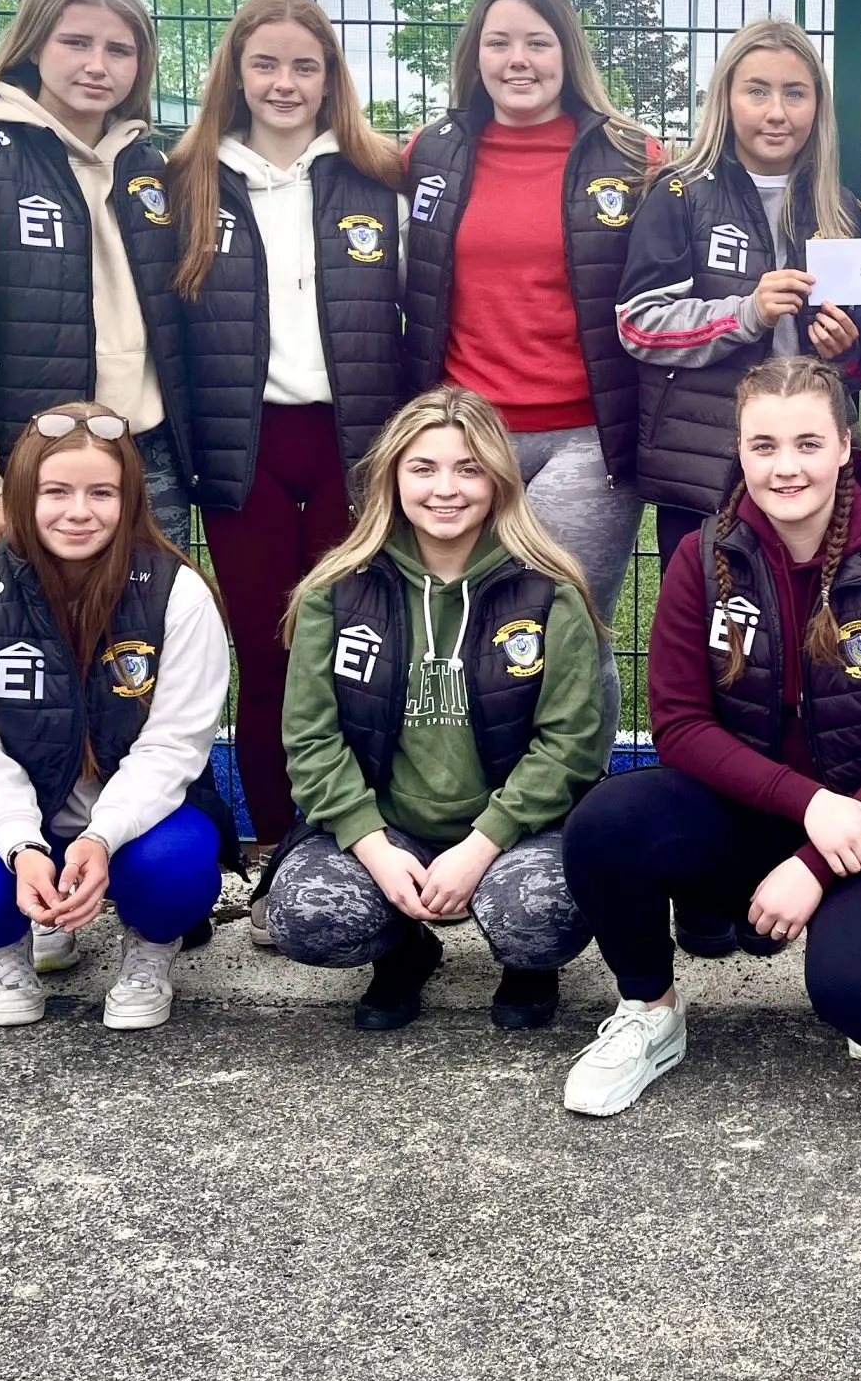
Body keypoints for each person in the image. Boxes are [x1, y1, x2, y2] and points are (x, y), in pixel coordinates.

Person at [561, 357, 861, 1116]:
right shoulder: (700, 557)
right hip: (755, 815)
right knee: (606, 822)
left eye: (807, 444)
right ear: (740, 451)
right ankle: (649, 1013)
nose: (785, 467)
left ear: (847, 448)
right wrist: (807, 806)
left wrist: (818, 860)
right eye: (763, 446)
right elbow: (680, 726)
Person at [261, 387, 610, 1033]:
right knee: (305, 914)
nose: (445, 489)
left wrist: (480, 848)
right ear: (392, 478)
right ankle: (402, 949)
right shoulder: (334, 593)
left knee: (546, 914)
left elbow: (571, 747)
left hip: (514, 833)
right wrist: (372, 847)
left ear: (499, 481)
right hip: (392, 831)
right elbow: (311, 741)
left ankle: (528, 966)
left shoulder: (549, 591)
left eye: (468, 468)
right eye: (423, 468)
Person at [0, 404, 235, 1030]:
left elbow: (174, 745)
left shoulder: (178, 593)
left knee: (176, 876)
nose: (79, 511)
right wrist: (21, 846)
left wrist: (102, 837)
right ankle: (7, 947)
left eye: (101, 492)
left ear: (130, 499)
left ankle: (151, 951)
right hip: (14, 816)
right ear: (23, 494)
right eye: (56, 491)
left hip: (134, 818)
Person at [164, 0, 408, 846]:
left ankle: (358, 841)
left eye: (305, 66)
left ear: (331, 76)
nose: (284, 82)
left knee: (354, 653)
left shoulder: (379, 176)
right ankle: (275, 842)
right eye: (264, 64)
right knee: (267, 657)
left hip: (355, 448)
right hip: (246, 452)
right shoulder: (188, 178)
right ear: (235, 72)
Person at [400, 0, 659, 727]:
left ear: (567, 53)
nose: (519, 60)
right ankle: (475, 804)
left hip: (589, 438)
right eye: (500, 41)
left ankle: (576, 815)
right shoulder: (430, 151)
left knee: (570, 629)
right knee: (465, 627)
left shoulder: (633, 153)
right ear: (475, 53)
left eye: (538, 43)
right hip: (468, 438)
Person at [0, 0, 198, 551]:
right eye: (76, 42)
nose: (98, 65)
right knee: (41, 637)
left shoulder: (151, 168)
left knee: (147, 636)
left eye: (120, 49)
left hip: (149, 454)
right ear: (35, 45)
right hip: (37, 461)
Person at [617, 17, 861, 572]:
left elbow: (859, 357)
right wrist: (746, 313)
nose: (776, 112)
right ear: (726, 99)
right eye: (757, 91)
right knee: (710, 630)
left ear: (817, 107)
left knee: (813, 624)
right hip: (706, 467)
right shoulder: (680, 194)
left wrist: (846, 350)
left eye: (795, 93)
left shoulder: (841, 208)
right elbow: (637, 324)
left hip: (810, 466)